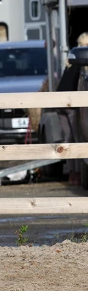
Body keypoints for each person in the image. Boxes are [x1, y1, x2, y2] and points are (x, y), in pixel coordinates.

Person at [56, 32, 87, 185]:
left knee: (68, 139)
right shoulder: (82, 66)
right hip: (71, 105)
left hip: (61, 102)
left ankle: (73, 174)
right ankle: (78, 173)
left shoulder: (71, 60)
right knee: (77, 139)